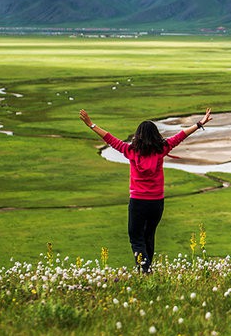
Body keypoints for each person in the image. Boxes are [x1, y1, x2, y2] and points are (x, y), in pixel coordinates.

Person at [79, 107, 212, 273]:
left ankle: (145, 271)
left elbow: (110, 139)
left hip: (138, 202)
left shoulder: (130, 151)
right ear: (155, 135)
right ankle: (146, 270)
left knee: (136, 237)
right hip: (157, 203)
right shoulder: (162, 149)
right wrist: (199, 124)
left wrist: (91, 124)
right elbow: (181, 135)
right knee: (149, 235)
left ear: (138, 135)